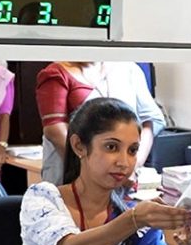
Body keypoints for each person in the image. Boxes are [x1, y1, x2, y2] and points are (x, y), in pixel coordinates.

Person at [20, 98, 191, 245]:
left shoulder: (129, 208)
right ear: (79, 146)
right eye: (111, 147)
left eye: (132, 151)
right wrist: (135, 219)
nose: (124, 162)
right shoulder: (42, 198)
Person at [36, 61, 166, 185]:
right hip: (75, 176)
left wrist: (132, 165)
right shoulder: (56, 73)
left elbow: (149, 120)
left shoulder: (128, 69)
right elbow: (54, 129)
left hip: (120, 176)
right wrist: (94, 167)